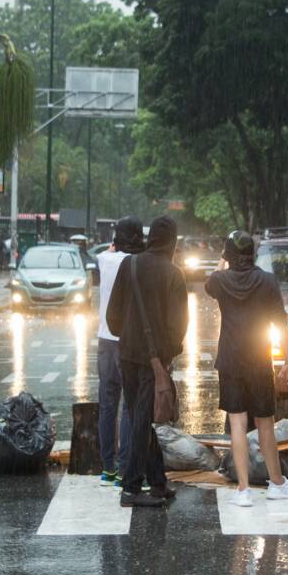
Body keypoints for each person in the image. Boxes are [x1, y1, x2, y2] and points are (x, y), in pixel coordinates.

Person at [206, 230, 288, 508]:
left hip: (229, 360)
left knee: (237, 422)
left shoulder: (221, 281)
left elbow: (209, 281)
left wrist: (221, 259)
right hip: (259, 361)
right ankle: (276, 483)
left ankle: (243, 490)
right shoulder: (267, 281)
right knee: (265, 423)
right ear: (253, 253)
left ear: (228, 255)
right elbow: (281, 322)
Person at [107, 216, 188, 508]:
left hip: (126, 354)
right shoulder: (173, 274)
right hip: (154, 360)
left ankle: (157, 481)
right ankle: (130, 489)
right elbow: (178, 327)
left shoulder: (129, 265)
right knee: (142, 420)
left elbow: (112, 317)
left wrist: (128, 335)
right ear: (173, 242)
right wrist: (165, 357)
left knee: (142, 417)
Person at [96, 217, 144, 488]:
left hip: (104, 339)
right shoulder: (135, 263)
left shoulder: (104, 260)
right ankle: (126, 467)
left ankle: (107, 468)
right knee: (130, 405)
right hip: (127, 340)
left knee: (107, 404)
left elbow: (108, 251)